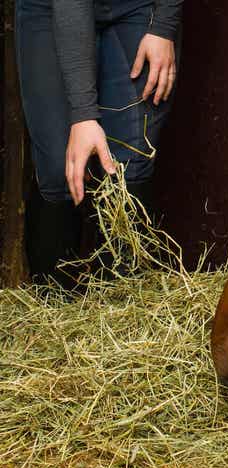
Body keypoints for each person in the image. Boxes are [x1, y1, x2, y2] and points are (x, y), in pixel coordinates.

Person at [15, 0, 183, 284]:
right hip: (51, 8)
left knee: (130, 161)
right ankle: (54, 310)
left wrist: (163, 25)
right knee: (60, 166)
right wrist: (83, 115)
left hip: (139, 8)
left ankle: (121, 311)